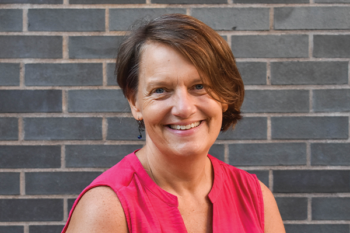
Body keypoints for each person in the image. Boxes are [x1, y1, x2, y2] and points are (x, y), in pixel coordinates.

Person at [62, 14, 285, 233]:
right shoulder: (106, 209)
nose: (184, 108)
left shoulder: (256, 199)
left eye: (199, 86)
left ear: (224, 96)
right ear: (135, 102)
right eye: (161, 90)